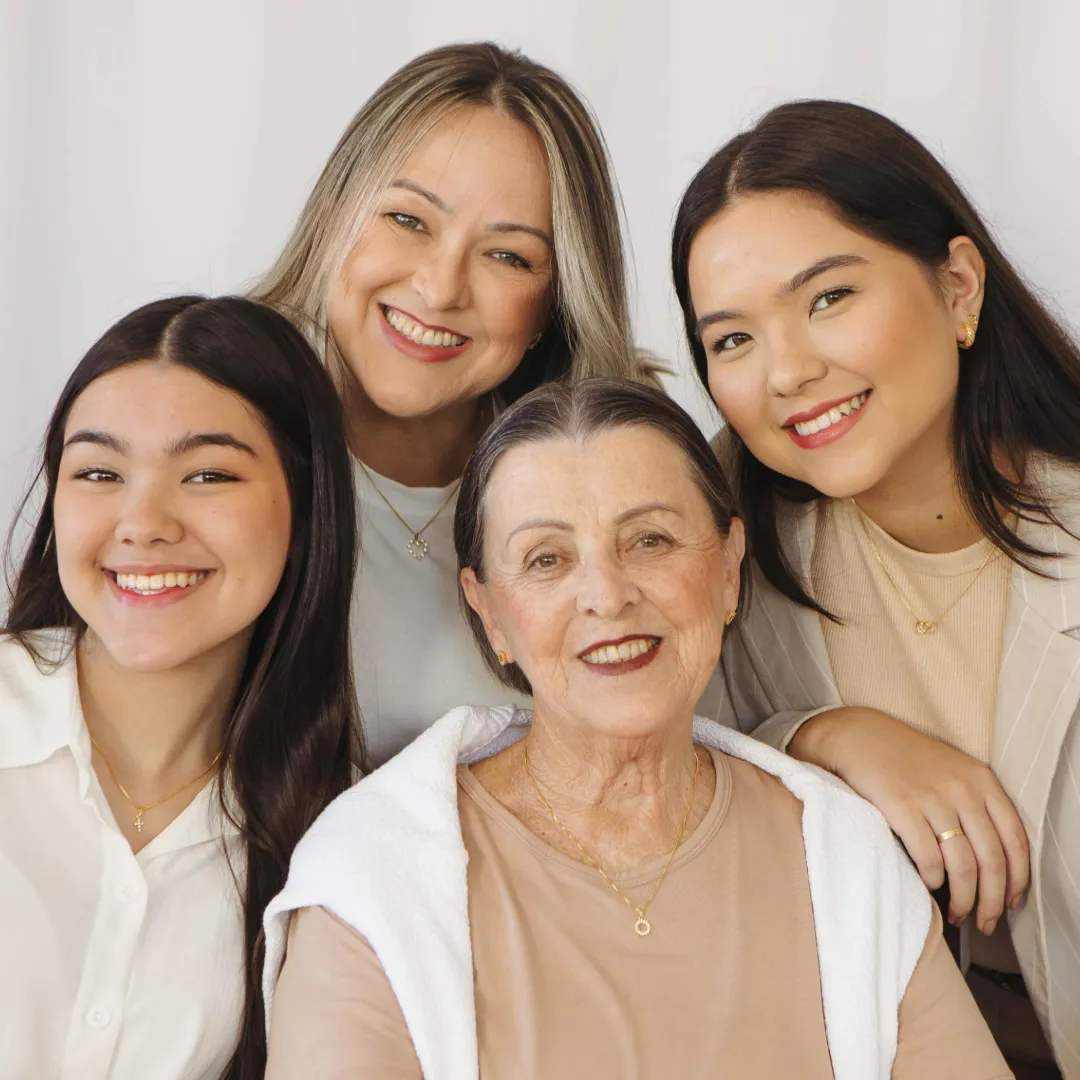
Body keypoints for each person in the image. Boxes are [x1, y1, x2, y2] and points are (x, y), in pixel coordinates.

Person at [260, 378, 1010, 1080]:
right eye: (546, 559)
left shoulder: (844, 856)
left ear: (728, 570)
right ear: (489, 612)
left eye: (649, 540)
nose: (607, 595)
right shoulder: (368, 879)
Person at [671, 99, 1080, 1078]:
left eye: (827, 298)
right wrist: (818, 736)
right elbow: (648, 782)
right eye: (733, 341)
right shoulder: (716, 553)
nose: (789, 372)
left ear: (958, 285)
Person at [252, 42, 652, 766]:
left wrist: (814, 730)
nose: (440, 289)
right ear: (336, 214)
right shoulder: (215, 434)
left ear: (552, 307)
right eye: (408, 220)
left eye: (508, 257)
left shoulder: (622, 485)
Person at [0, 296, 359, 1080]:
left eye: (207, 474)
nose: (142, 521)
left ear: (306, 509)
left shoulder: (347, 837)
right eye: (98, 471)